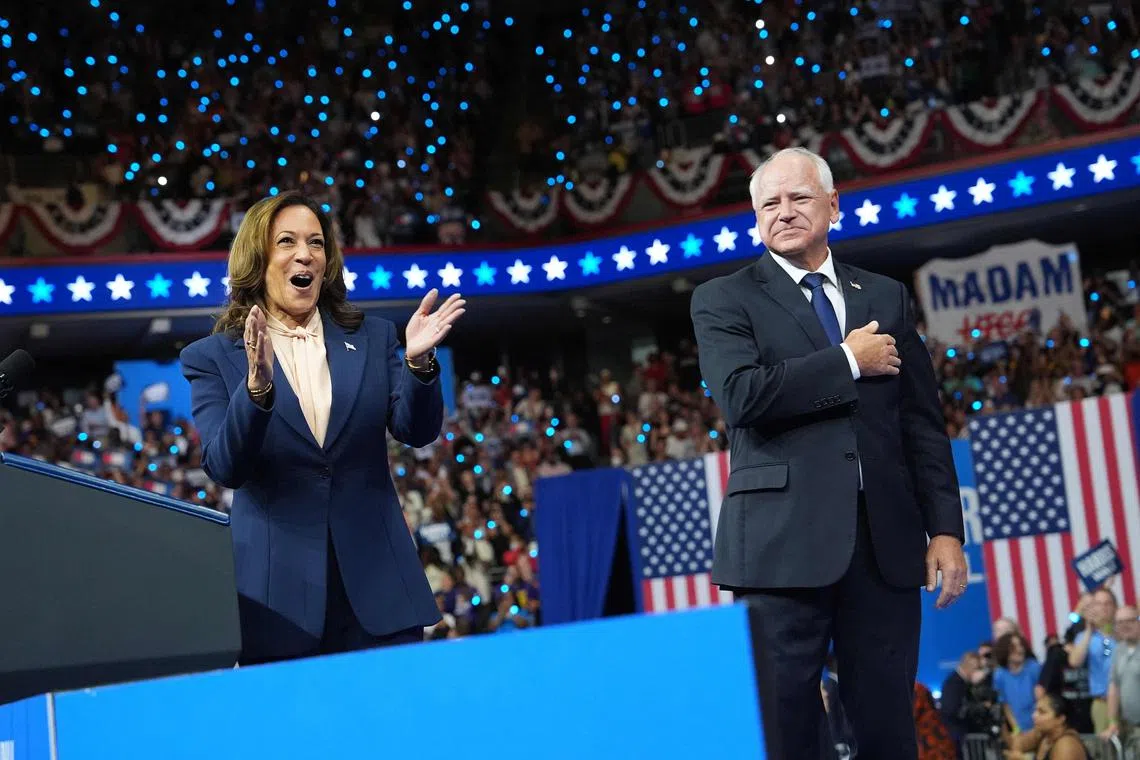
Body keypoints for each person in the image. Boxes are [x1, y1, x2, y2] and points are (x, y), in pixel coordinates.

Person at [689, 147, 967, 759]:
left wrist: (945, 529)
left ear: (834, 206)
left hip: (884, 548)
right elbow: (742, 397)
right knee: (786, 731)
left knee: (890, 727)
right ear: (755, 218)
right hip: (779, 550)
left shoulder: (886, 297)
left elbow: (921, 424)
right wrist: (848, 360)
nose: (783, 212)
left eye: (798, 198)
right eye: (769, 203)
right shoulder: (723, 300)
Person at [180, 192, 466, 664]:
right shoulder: (211, 358)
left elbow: (416, 431)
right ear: (258, 257)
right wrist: (255, 391)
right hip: (277, 605)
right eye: (287, 241)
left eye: (316, 242)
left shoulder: (373, 338)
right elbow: (225, 466)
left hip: (379, 593)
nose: (305, 254)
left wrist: (418, 364)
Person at [1039, 624, 1094, 734]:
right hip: (1064, 716)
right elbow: (1042, 688)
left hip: (1088, 713)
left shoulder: (1092, 654)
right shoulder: (1057, 655)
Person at [1002, 693, 1091, 759]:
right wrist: (1002, 721)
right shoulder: (1044, 733)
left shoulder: (1066, 744)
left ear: (1060, 719)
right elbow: (1015, 745)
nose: (1034, 716)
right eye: (1035, 711)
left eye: (1042, 712)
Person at [1102, 605, 1140, 747]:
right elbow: (1114, 687)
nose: (1124, 626)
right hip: (1129, 729)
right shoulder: (1118, 650)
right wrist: (1112, 722)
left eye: (1129, 621)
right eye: (1120, 622)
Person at [993, 632, 1045, 733]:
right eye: (1014, 647)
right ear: (1004, 651)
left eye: (1021, 645)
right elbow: (1005, 704)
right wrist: (1016, 729)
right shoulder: (999, 675)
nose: (1020, 649)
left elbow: (1042, 700)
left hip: (1038, 727)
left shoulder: (1034, 668)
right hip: (1018, 729)